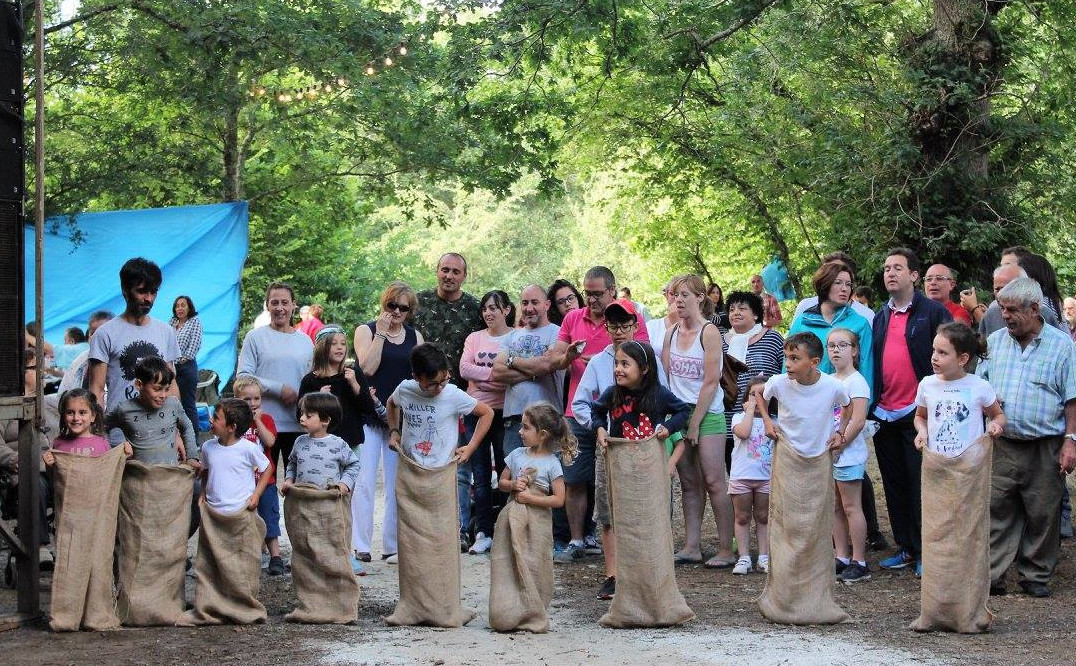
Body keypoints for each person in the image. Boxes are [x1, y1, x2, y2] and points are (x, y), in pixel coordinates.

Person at [979, 278, 1076, 598]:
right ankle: (992, 573)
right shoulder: (994, 341)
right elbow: (980, 387)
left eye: (1011, 310)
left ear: (1034, 309)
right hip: (1002, 441)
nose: (1004, 315)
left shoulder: (1062, 345)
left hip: (1045, 443)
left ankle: (1035, 573)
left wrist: (1070, 440)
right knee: (996, 507)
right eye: (1002, 309)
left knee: (1042, 511)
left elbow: (1072, 398)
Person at [550, 267, 650, 562]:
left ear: (612, 290)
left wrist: (609, 355)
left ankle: (615, 539)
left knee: (618, 478)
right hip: (577, 411)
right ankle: (577, 539)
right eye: (587, 293)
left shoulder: (631, 319)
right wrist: (568, 356)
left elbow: (644, 354)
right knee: (575, 477)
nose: (591, 299)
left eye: (596, 293)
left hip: (624, 415)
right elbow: (555, 359)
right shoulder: (571, 318)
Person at [871, 248, 952, 576]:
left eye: (898, 268)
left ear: (914, 276)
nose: (890, 273)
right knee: (894, 484)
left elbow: (952, 355)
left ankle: (926, 551)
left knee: (921, 484)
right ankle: (905, 546)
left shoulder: (932, 312)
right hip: (885, 412)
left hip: (918, 414)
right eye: (887, 268)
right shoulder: (881, 315)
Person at [588, 340, 691, 599]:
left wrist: (669, 428)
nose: (618, 369)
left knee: (646, 517)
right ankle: (613, 575)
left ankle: (648, 572)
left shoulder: (658, 394)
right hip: (616, 464)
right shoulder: (612, 393)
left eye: (625, 364)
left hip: (646, 467)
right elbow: (597, 411)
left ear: (644, 368)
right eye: (616, 363)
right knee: (610, 516)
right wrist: (600, 429)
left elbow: (683, 410)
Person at [662, 273, 733, 568]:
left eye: (685, 295)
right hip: (679, 412)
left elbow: (711, 381)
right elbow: (666, 377)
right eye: (675, 295)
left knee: (715, 480)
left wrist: (695, 423)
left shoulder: (709, 332)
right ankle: (692, 546)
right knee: (689, 482)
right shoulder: (671, 332)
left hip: (708, 413)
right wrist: (675, 419)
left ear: (700, 298)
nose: (679, 300)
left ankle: (726, 548)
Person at [353, 281, 424, 563]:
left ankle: (392, 545)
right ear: (384, 304)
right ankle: (361, 544)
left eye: (402, 308)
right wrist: (380, 334)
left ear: (410, 311)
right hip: (368, 414)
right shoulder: (365, 330)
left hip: (400, 418)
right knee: (365, 480)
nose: (396, 312)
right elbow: (367, 367)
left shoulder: (414, 336)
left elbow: (418, 377)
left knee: (397, 484)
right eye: (391, 305)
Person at [493, 403, 573, 620]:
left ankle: (533, 609)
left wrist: (531, 497)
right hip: (513, 518)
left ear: (543, 434)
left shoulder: (552, 464)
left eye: (526, 427)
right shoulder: (517, 454)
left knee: (534, 561)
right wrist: (512, 486)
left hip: (538, 523)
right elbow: (501, 482)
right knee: (510, 559)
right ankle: (510, 608)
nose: (520, 431)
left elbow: (558, 499)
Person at [237, 282, 314, 495]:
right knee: (262, 482)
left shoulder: (306, 341)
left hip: (298, 424)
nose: (280, 308)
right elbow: (243, 377)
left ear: (293, 306)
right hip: (263, 423)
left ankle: (296, 527)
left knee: (297, 486)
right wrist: (278, 389)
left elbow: (312, 379)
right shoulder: (255, 337)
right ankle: (267, 528)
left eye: (284, 303)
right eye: (274, 303)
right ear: (267, 306)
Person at [280, 392, 362, 572]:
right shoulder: (300, 442)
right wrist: (288, 480)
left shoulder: (337, 444)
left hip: (329, 501)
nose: (302, 418)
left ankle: (342, 558)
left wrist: (345, 484)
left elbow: (354, 464)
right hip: (304, 501)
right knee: (304, 530)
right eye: (302, 414)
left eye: (308, 416)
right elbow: (292, 463)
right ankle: (302, 557)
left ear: (325, 420)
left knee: (332, 532)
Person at [459, 291, 515, 554]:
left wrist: (483, 378)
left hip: (505, 412)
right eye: (485, 309)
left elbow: (511, 377)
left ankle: (506, 530)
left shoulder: (515, 337)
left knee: (506, 472)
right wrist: (495, 375)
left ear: (506, 310)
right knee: (480, 475)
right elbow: (464, 369)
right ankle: (483, 531)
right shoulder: (474, 338)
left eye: (494, 308)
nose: (488, 313)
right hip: (476, 412)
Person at [39, 389, 131, 547]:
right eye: (70, 412)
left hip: (95, 511)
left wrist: (123, 455)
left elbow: (109, 475)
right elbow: (56, 481)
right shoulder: (59, 444)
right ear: (63, 415)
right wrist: (49, 466)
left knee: (94, 548)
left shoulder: (101, 443)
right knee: (70, 547)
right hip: (69, 513)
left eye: (82, 412)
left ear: (93, 416)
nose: (76, 418)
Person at [88, 258, 181, 415]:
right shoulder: (105, 334)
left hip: (160, 433)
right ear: (125, 290)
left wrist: (176, 428)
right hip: (120, 431)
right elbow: (96, 389)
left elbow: (171, 385)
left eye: (154, 292)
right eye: (142, 291)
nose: (149, 298)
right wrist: (99, 433)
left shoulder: (166, 332)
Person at [492, 285, 564, 457]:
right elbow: (497, 373)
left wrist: (512, 360)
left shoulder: (559, 333)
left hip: (548, 418)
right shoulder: (511, 336)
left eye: (534, 302)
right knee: (517, 478)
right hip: (515, 420)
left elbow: (547, 365)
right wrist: (535, 370)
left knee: (549, 477)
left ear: (546, 305)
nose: (529, 308)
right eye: (525, 303)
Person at [914, 323, 1004, 458]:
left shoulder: (980, 386)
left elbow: (998, 415)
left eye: (942, 352)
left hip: (971, 467)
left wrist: (995, 424)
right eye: (934, 350)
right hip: (937, 464)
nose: (934, 357)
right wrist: (922, 431)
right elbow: (920, 416)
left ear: (962, 359)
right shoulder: (927, 384)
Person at [826, 328, 872, 583]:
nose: (835, 350)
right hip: (830, 454)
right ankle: (841, 555)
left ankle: (860, 560)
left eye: (842, 345)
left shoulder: (856, 381)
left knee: (851, 505)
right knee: (835, 506)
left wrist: (841, 443)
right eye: (831, 345)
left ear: (854, 350)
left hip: (847, 454)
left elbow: (858, 419)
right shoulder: (829, 379)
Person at [723, 291, 785, 472]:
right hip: (730, 420)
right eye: (732, 309)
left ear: (756, 314)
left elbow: (785, 374)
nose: (736, 312)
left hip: (767, 419)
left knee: (769, 473)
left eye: (742, 308)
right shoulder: (720, 341)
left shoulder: (772, 338)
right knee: (737, 473)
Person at [788, 262, 874, 388]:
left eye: (848, 284)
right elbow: (789, 363)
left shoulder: (860, 324)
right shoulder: (802, 322)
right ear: (824, 284)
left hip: (845, 402)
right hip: (805, 398)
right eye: (838, 282)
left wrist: (863, 404)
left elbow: (867, 370)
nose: (844, 289)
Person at [233, 376, 284, 575]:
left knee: (269, 517)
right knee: (242, 520)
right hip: (240, 482)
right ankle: (245, 555)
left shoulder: (266, 419)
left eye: (256, 398)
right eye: (247, 399)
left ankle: (276, 556)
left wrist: (257, 421)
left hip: (265, 480)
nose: (252, 403)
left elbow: (270, 442)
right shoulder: (233, 422)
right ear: (237, 400)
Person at [105, 356, 198, 465]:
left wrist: (192, 456)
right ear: (139, 384)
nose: (163, 395)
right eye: (157, 389)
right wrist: (116, 449)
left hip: (171, 476)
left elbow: (187, 426)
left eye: (167, 389)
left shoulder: (173, 405)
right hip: (139, 478)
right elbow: (100, 426)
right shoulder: (124, 409)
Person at [298, 326, 376, 451]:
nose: (340, 347)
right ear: (322, 348)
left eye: (343, 344)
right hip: (320, 446)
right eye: (333, 344)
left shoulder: (353, 373)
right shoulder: (310, 380)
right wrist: (318, 399)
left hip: (350, 445)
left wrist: (355, 384)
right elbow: (300, 416)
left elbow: (369, 408)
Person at [411, 252, 482, 390]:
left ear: (464, 276)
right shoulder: (417, 302)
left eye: (456, 272)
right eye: (445, 270)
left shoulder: (476, 309)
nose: (449, 276)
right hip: (421, 387)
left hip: (459, 391)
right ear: (437, 271)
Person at [728, 377, 775, 575]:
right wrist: (749, 411)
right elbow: (744, 433)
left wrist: (764, 415)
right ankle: (744, 556)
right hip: (742, 477)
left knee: (763, 517)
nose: (757, 400)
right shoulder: (738, 418)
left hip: (765, 477)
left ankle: (763, 556)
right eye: (752, 395)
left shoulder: (774, 422)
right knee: (742, 517)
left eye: (761, 395)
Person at [199, 397, 271, 515]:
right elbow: (205, 473)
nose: (211, 420)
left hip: (242, 511)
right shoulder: (207, 447)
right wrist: (202, 493)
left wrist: (257, 494)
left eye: (216, 417)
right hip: (213, 512)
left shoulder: (248, 448)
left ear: (232, 427)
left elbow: (267, 468)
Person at [793, 252, 875, 322]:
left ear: (850, 276)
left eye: (836, 271)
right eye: (825, 272)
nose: (828, 276)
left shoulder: (866, 315)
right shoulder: (806, 306)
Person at [58, 310, 113, 396]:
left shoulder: (122, 358)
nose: (96, 337)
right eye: (92, 333)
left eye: (102, 333)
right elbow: (65, 389)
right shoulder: (82, 359)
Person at [171, 295, 203, 433]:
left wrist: (181, 360)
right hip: (171, 367)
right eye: (177, 306)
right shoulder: (172, 323)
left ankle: (193, 440)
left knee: (188, 405)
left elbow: (194, 345)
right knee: (172, 404)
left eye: (183, 305)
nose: (179, 308)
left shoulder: (194, 322)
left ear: (189, 307)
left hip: (186, 367)